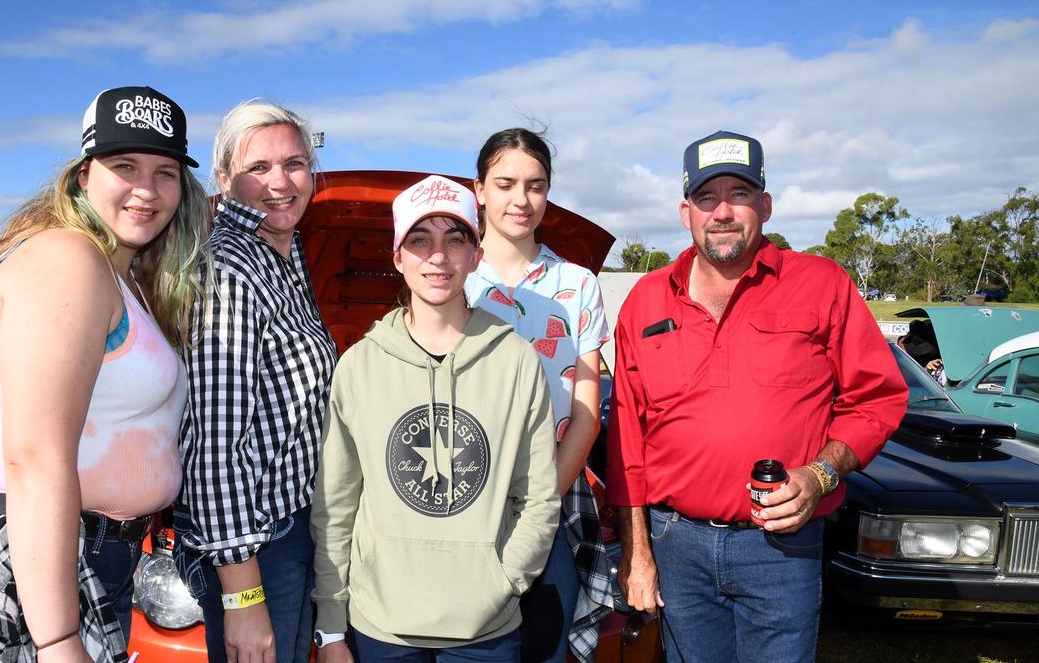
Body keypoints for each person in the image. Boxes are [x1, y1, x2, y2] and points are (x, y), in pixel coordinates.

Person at [0, 85, 211, 662]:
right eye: (125, 166)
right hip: (11, 550)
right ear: (83, 175)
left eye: (166, 173)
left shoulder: (124, 274)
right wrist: (58, 639)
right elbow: (36, 456)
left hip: (80, 551)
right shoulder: (67, 259)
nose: (147, 189)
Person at [607, 130, 908, 662]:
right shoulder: (646, 300)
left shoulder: (822, 283)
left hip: (780, 547)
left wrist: (820, 475)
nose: (722, 211)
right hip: (676, 545)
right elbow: (628, 438)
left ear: (764, 205)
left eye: (738, 195)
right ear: (686, 211)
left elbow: (876, 399)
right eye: (707, 198)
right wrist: (637, 553)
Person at [311, 175, 560, 663]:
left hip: (487, 627)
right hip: (379, 625)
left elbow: (538, 498)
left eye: (455, 239)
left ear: (476, 255)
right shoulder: (359, 366)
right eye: (420, 240)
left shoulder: (516, 362)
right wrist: (330, 626)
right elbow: (335, 506)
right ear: (398, 257)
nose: (438, 257)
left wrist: (506, 580)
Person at [175, 100, 339, 663]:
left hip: (295, 528)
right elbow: (215, 451)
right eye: (259, 168)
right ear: (224, 179)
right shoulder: (230, 270)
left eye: (294, 164)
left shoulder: (283, 256)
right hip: (256, 545)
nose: (280, 182)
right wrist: (243, 599)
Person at [463, 129, 616, 663]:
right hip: (460, 508)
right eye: (505, 183)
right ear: (479, 190)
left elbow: (586, 410)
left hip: (552, 500)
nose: (521, 200)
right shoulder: (450, 278)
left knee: (542, 647)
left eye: (536, 185)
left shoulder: (577, 285)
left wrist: (539, 504)